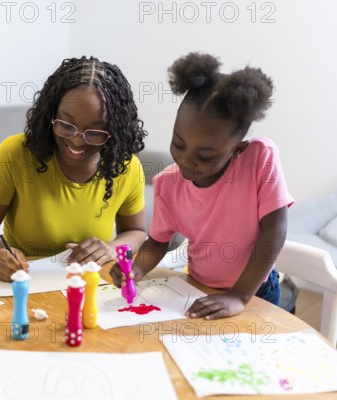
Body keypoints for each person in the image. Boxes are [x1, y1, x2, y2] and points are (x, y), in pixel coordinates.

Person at [111, 52, 294, 320]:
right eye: (179, 143)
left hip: (254, 291)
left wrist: (239, 296)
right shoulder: (167, 184)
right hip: (196, 286)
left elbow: (275, 230)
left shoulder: (259, 158)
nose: (186, 160)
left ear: (237, 149)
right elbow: (158, 243)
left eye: (205, 155)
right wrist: (136, 268)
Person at [0, 56, 148, 282]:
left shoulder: (126, 167)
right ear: (50, 115)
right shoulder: (15, 153)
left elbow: (138, 233)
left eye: (95, 132)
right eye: (66, 125)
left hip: (88, 285)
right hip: (21, 280)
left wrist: (111, 249)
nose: (78, 142)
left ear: (115, 131)